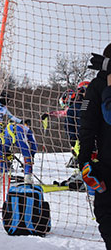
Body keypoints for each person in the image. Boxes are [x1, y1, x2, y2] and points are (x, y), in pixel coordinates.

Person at [79, 43, 111, 248]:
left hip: (108, 162)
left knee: (106, 211)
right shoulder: (97, 86)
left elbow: (86, 125)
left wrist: (84, 158)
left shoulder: (98, 85)